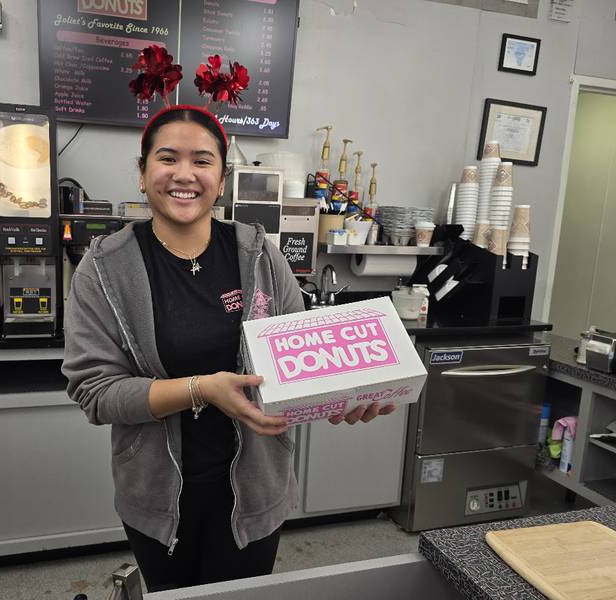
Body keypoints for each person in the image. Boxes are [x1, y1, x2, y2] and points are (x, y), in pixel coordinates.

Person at [61, 105, 395, 592]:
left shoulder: (260, 256)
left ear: (221, 180)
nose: (184, 174)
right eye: (167, 158)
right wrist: (203, 390)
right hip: (156, 495)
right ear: (142, 173)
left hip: (255, 490)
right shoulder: (104, 269)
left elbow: (298, 363)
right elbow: (96, 392)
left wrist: (341, 396)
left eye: (202, 161)